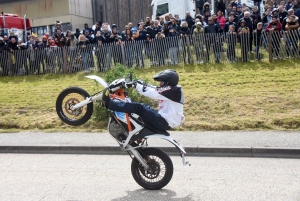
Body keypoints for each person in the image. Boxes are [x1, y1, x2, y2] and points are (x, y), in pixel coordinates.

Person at [102, 69, 185, 130]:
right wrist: (139, 82)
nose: (160, 84)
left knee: (139, 108)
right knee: (144, 107)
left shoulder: (173, 90)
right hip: (165, 120)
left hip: (164, 122)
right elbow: (154, 88)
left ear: (168, 82)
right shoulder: (173, 90)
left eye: (162, 82)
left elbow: (153, 92)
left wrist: (135, 85)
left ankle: (110, 104)